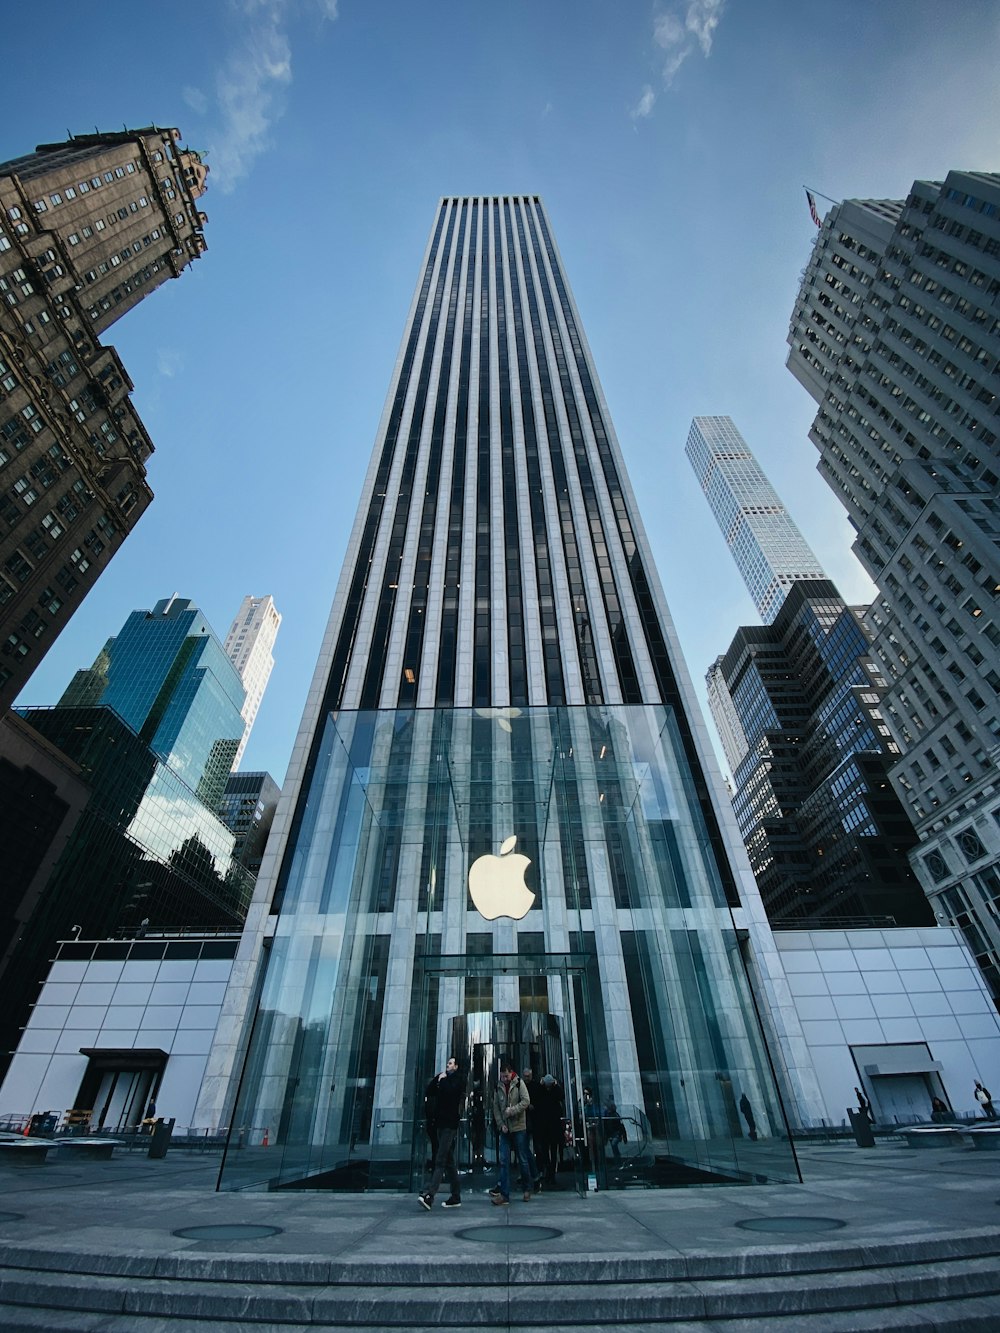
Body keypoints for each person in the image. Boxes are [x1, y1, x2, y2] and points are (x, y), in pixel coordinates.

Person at [419, 1056, 465, 1211]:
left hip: (450, 1125)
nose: (448, 1065)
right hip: (440, 1124)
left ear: (456, 1067)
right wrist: (437, 1078)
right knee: (450, 1162)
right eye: (447, 1063)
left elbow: (451, 1093)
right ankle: (456, 1196)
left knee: (440, 1160)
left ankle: (430, 1196)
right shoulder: (443, 1079)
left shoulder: (457, 1080)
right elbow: (429, 1091)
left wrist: (442, 1081)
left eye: (451, 1063)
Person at [490, 1060, 534, 1205]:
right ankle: (504, 1194)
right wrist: (501, 1124)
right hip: (505, 1130)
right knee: (504, 1161)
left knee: (522, 1159)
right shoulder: (498, 1087)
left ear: (511, 1073)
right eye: (502, 1076)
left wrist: (513, 1110)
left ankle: (527, 1188)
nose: (505, 1079)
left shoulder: (519, 1083)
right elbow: (496, 1107)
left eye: (506, 1076)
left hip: (519, 1128)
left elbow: (526, 1101)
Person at [533, 1074, 565, 1186]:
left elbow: (561, 1096)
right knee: (545, 1151)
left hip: (553, 1126)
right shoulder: (541, 1091)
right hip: (544, 1127)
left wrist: (556, 1086)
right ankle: (547, 1171)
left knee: (553, 1151)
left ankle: (552, 1174)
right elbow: (534, 1097)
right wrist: (540, 1085)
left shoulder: (555, 1091)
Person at [521, 1067, 541, 1191]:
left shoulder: (535, 1086)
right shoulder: (521, 1086)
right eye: (525, 1076)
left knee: (530, 1150)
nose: (526, 1078)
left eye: (528, 1076)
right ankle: (530, 1174)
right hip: (524, 1123)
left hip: (534, 1122)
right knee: (524, 1150)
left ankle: (535, 1173)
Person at [422, 1073, 440, 1169]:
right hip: (436, 1124)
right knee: (438, 1147)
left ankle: (435, 1166)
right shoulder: (434, 1099)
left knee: (436, 1147)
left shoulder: (431, 1098)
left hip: (434, 1124)